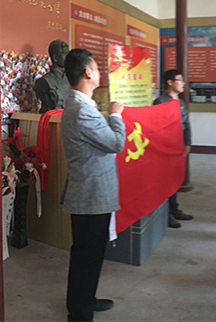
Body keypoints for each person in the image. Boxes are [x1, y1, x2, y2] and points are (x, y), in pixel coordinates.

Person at [60, 48, 126, 321]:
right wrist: (116, 115)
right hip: (90, 195)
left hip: (91, 192)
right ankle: (79, 313)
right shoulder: (81, 110)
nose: (99, 72)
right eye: (97, 68)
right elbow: (116, 143)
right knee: (87, 256)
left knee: (90, 254)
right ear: (88, 72)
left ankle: (85, 300)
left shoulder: (80, 104)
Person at [153, 69, 193, 229]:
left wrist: (187, 143)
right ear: (170, 82)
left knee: (175, 180)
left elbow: (186, 124)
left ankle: (175, 209)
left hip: (179, 147)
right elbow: (156, 127)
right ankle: (167, 213)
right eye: (179, 80)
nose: (183, 83)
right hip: (165, 148)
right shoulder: (160, 102)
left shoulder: (181, 103)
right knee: (165, 182)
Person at [35, 39, 72, 113]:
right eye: (65, 54)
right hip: (52, 117)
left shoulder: (71, 79)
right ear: (55, 58)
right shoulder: (43, 82)